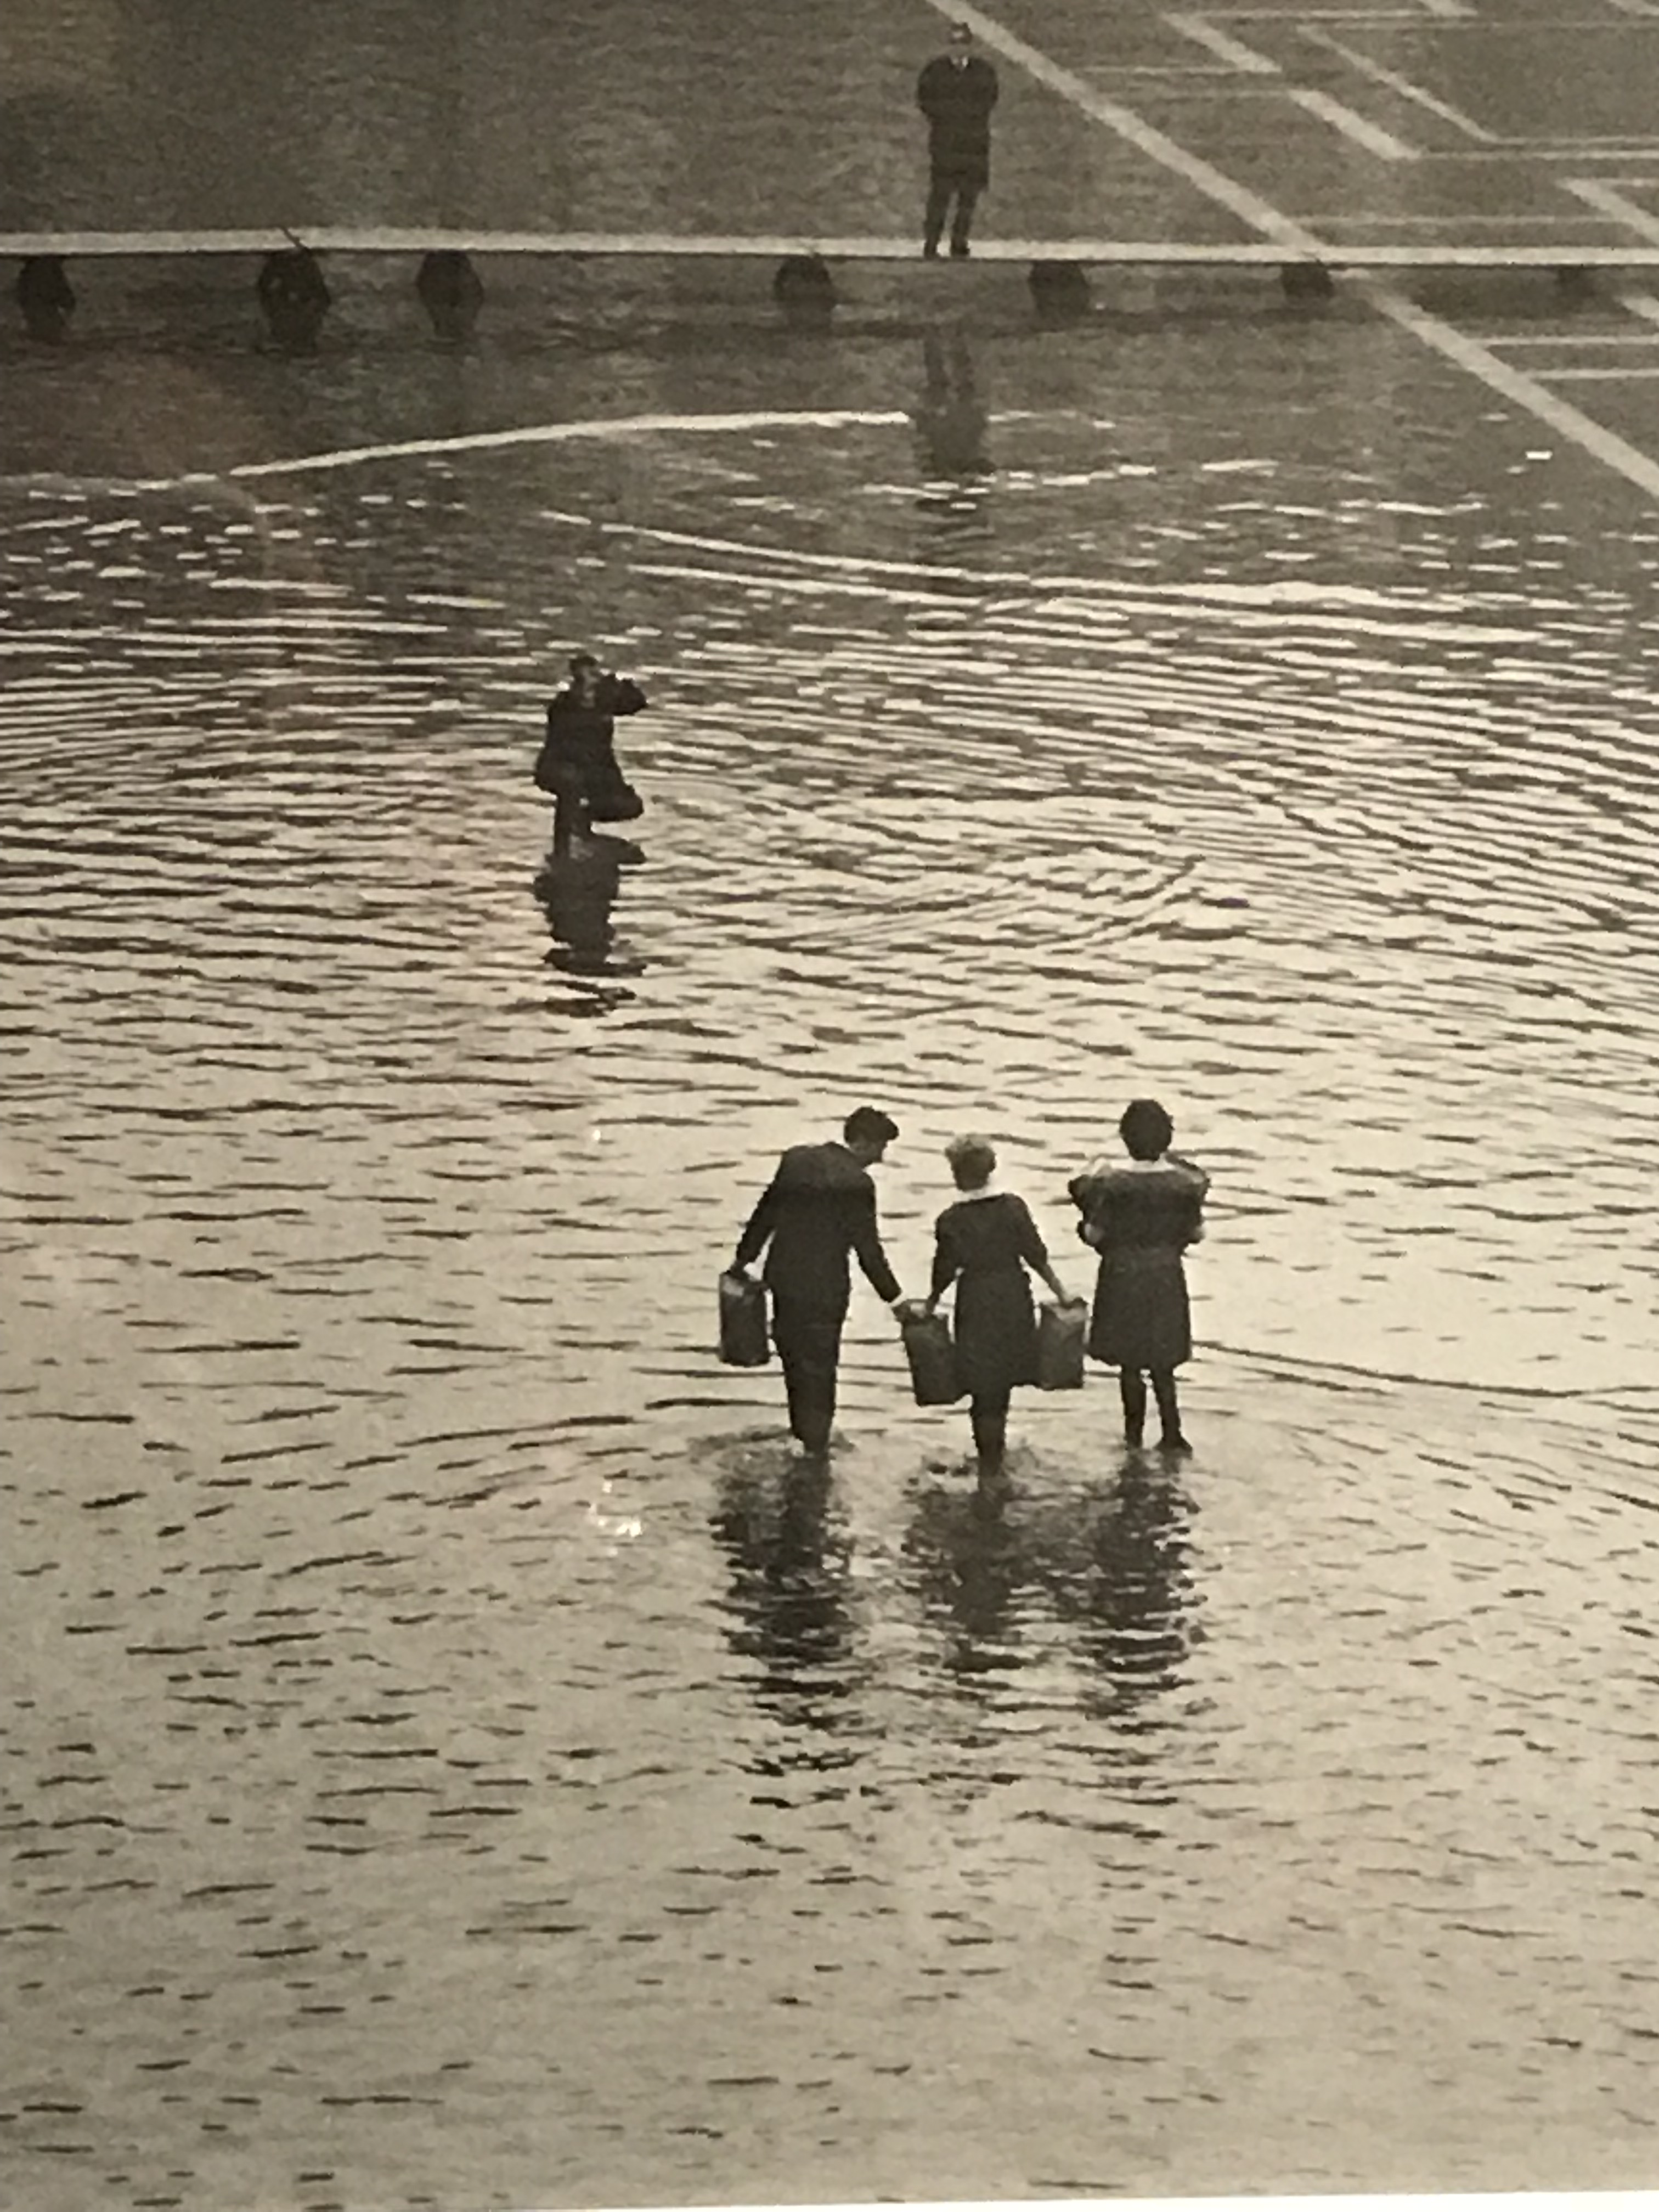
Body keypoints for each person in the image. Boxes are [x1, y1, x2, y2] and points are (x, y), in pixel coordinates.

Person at [731, 1108, 909, 1458]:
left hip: (784, 1279)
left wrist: (742, 1261)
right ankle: (817, 1448)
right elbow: (868, 1250)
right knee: (822, 1369)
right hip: (826, 1291)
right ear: (862, 1141)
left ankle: (800, 1434)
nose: (881, 1157)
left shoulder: (796, 1162)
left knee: (794, 1361)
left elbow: (765, 1214)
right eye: (880, 1147)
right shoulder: (858, 1184)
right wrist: (895, 1299)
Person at [920, 1136, 1071, 1483]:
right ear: (991, 1169)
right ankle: (996, 1458)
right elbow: (1036, 1255)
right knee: (1003, 1378)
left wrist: (930, 1305)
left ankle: (988, 1460)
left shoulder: (951, 1219)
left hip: (975, 1299)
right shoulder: (1013, 1208)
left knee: (980, 1381)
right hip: (1012, 1296)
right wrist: (1061, 1292)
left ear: (957, 1174)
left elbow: (944, 1270)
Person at [1069, 1100, 1209, 1455]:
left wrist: (1081, 1225)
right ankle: (1173, 1434)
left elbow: (1095, 1235)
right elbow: (1196, 1234)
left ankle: (1133, 1439)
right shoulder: (1184, 1184)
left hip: (1122, 1276)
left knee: (1130, 1364)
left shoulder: (1112, 1184)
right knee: (1164, 1363)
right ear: (1167, 1138)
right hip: (1166, 1276)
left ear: (1125, 1137)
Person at [533, 652, 647, 852]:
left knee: (630, 805)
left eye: (596, 676)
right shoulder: (563, 706)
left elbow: (638, 703)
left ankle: (582, 823)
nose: (594, 683)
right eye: (589, 678)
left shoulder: (604, 701)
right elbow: (567, 743)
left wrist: (621, 686)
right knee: (571, 784)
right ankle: (562, 847)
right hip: (560, 766)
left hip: (596, 768)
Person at [917, 22, 999, 260]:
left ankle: (959, 241)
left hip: (973, 144)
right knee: (940, 195)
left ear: (970, 46)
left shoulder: (983, 72)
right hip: (945, 143)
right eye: (954, 43)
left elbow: (989, 100)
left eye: (962, 43)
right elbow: (925, 100)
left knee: (968, 197)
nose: (958, 48)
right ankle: (932, 242)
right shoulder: (935, 72)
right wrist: (948, 119)